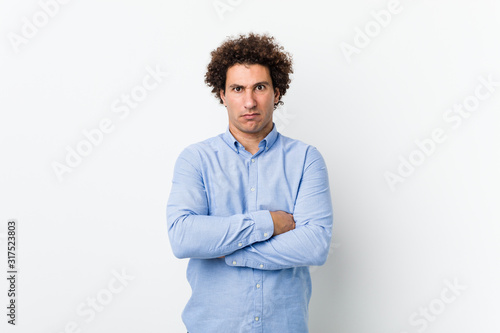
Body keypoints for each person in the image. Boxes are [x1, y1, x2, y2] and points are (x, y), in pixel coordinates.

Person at [166, 33, 333, 333]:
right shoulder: (196, 160)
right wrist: (267, 222)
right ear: (222, 94)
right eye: (237, 88)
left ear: (277, 92)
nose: (249, 101)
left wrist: (227, 248)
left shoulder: (306, 159)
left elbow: (314, 245)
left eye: (260, 87)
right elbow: (183, 237)